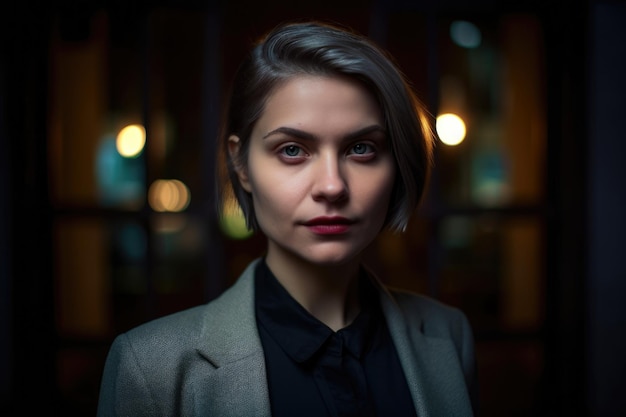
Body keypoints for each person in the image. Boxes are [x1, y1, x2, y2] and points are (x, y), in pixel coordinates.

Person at [97, 21, 478, 417]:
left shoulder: (448, 336)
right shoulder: (150, 368)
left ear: (397, 163)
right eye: (293, 150)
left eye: (361, 148)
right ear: (240, 164)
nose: (331, 186)